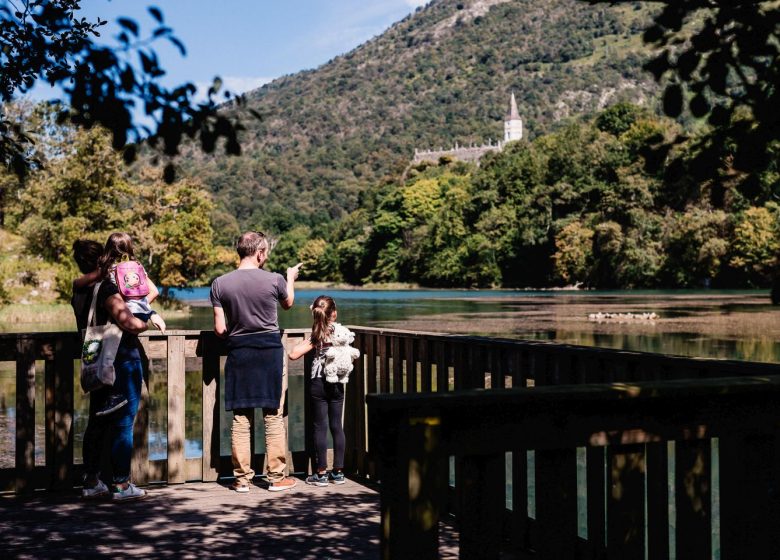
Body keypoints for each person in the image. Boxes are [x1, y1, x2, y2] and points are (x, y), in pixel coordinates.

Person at [210, 231, 302, 493]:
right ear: (260, 253)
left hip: (240, 352)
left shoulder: (219, 284)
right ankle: (275, 478)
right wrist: (290, 278)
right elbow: (288, 303)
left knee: (241, 417)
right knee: (273, 415)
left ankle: (241, 480)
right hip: (269, 352)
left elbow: (219, 329)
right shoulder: (275, 280)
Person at [71, 236, 150, 501]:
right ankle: (121, 484)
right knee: (123, 421)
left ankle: (92, 480)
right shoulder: (105, 289)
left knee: (97, 420)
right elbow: (127, 321)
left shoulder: (80, 290)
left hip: (94, 355)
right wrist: (144, 324)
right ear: (101, 259)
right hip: (118, 357)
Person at [74, 233, 166, 416]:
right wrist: (144, 317)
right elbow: (149, 297)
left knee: (98, 424)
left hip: (98, 355)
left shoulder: (84, 288)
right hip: (120, 355)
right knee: (123, 423)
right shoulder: (115, 280)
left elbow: (77, 283)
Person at [288, 295, 347, 486]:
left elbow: (293, 354)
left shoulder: (317, 335)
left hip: (319, 382)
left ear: (316, 314)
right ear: (335, 313)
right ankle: (338, 472)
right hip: (337, 382)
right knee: (337, 425)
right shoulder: (343, 333)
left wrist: (312, 333)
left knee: (320, 427)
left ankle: (321, 474)